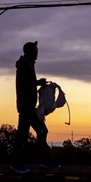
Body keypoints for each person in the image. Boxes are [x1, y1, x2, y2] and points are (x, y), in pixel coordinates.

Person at [10, 41, 59, 173]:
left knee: (31, 132)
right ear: (30, 52)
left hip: (26, 105)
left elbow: (26, 82)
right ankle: (39, 162)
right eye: (35, 51)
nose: (37, 53)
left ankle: (41, 162)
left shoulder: (26, 63)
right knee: (37, 131)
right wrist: (38, 83)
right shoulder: (25, 64)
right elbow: (24, 83)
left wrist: (37, 83)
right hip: (26, 105)